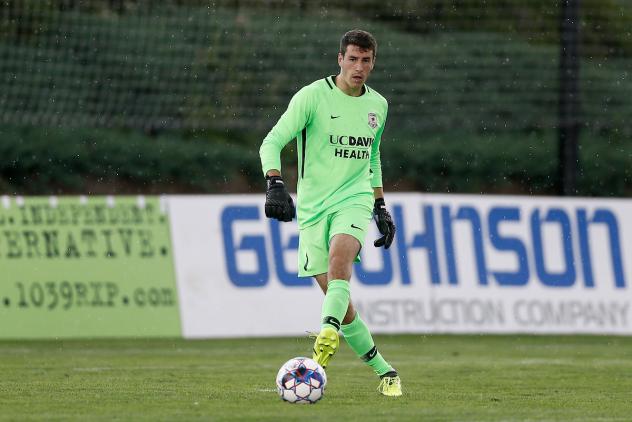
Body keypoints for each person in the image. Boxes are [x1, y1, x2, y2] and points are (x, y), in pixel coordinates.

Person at [259, 29, 401, 397]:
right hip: (311, 209)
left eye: (366, 60)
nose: (359, 67)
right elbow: (272, 141)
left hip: (353, 200)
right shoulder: (312, 97)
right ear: (339, 59)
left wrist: (379, 205)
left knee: (342, 261)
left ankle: (325, 337)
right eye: (352, 59)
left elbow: (372, 156)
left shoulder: (378, 106)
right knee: (342, 304)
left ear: (373, 62)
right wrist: (274, 182)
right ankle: (386, 372)